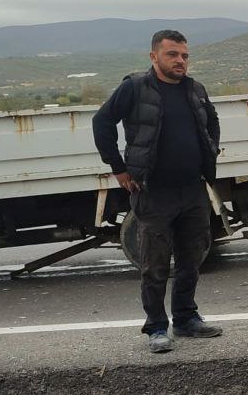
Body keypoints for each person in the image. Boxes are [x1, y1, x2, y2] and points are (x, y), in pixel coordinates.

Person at [93, 30, 222, 353]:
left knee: (191, 260)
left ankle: (186, 319)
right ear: (154, 57)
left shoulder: (195, 90)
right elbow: (102, 122)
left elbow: (213, 123)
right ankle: (156, 328)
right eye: (172, 55)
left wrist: (211, 152)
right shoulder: (135, 88)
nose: (180, 61)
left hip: (192, 189)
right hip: (153, 192)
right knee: (155, 265)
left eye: (184, 55)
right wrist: (119, 169)